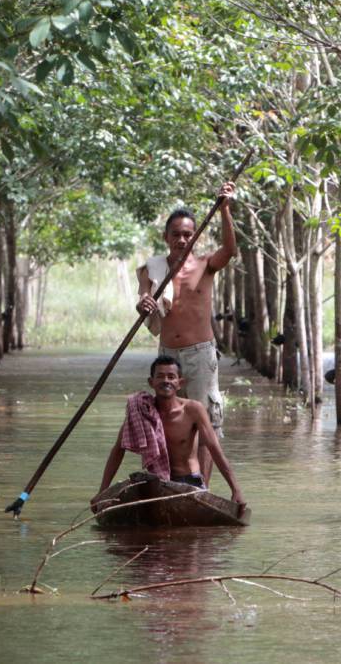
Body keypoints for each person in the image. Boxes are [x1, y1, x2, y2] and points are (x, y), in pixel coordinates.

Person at [135, 182, 236, 484]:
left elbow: (230, 250)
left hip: (199, 354)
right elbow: (142, 301)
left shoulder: (205, 264)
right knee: (168, 420)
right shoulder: (151, 269)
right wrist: (145, 303)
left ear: (195, 235)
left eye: (188, 234)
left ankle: (201, 488)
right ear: (166, 237)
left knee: (205, 422)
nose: (182, 239)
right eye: (176, 234)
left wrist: (225, 209)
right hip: (167, 356)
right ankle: (172, 483)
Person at [97, 356, 244, 508]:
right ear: (151, 382)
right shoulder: (141, 410)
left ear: (180, 383)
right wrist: (103, 492)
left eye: (171, 377)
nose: (165, 381)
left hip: (188, 482)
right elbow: (118, 451)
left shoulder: (193, 410)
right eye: (160, 376)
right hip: (157, 483)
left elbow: (214, 449)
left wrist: (235, 489)